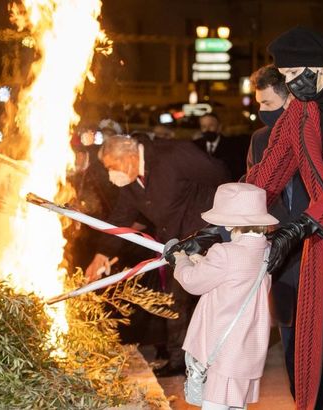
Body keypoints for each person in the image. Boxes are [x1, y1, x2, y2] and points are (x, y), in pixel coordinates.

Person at [168, 26, 323, 409]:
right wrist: (217, 229)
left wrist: (299, 227)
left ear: (318, 67)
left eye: (290, 75)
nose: (287, 83)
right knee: (317, 334)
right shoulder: (300, 111)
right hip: (320, 228)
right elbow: (269, 172)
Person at [86, 134, 230, 376]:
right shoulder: (132, 182)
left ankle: (223, 358)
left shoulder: (173, 155)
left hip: (207, 236)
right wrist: (102, 253)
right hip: (177, 246)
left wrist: (219, 223)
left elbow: (220, 175)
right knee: (175, 302)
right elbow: (120, 219)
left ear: (129, 157)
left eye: (112, 166)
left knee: (215, 301)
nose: (111, 175)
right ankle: (179, 360)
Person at [170, 183, 277, 410]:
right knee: (236, 407)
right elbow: (233, 277)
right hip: (246, 350)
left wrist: (179, 259)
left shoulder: (224, 253)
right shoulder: (265, 251)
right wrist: (201, 260)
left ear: (229, 222)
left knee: (214, 405)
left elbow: (192, 281)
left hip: (221, 351)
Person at [246, 64, 310, 398]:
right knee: (290, 342)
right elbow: (254, 194)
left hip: (316, 249)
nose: (261, 113)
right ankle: (300, 398)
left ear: (289, 100)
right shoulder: (258, 141)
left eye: (268, 105)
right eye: (258, 105)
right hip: (281, 260)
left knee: (322, 342)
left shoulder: (313, 134)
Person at [194, 113, 248, 181]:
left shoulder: (232, 146)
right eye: (204, 126)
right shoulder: (195, 146)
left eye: (211, 125)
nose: (207, 129)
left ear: (219, 127)